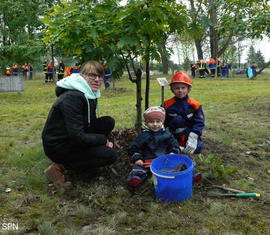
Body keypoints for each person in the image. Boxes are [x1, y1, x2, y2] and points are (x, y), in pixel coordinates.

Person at [42, 60, 117, 188]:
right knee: (110, 155)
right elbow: (77, 136)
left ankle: (84, 158)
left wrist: (107, 139)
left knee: (108, 122)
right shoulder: (72, 98)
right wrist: (103, 141)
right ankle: (59, 167)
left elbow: (90, 123)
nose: (97, 79)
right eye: (92, 75)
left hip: (72, 136)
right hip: (58, 145)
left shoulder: (88, 93)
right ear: (82, 76)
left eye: (100, 76)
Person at [127, 106, 180, 188]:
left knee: (176, 167)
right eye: (151, 122)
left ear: (162, 122)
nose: (155, 124)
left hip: (164, 160)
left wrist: (173, 152)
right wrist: (137, 158)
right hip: (147, 162)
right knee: (139, 169)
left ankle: (188, 177)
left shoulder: (167, 134)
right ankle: (135, 179)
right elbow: (134, 147)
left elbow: (174, 144)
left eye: (158, 121)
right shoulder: (144, 135)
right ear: (146, 123)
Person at [163, 71, 205, 154]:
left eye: (183, 88)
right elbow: (162, 120)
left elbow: (199, 123)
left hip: (189, 133)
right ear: (172, 89)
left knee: (198, 147)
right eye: (177, 88)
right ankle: (176, 146)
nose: (180, 90)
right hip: (172, 134)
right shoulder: (167, 104)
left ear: (188, 88)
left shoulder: (195, 105)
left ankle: (180, 147)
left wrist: (193, 138)